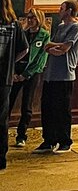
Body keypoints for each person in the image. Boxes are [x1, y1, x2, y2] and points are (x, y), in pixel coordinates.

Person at [36, 0, 78, 154]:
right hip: (50, 74)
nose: (59, 11)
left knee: (62, 110)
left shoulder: (75, 27)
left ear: (69, 11)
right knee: (48, 108)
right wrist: (52, 47)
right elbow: (50, 47)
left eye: (61, 8)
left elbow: (64, 48)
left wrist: (52, 47)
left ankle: (65, 141)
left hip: (64, 75)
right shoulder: (60, 26)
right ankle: (49, 140)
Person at [9, 8, 49, 149]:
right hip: (16, 72)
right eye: (29, 17)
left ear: (39, 19)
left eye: (33, 17)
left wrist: (25, 75)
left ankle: (21, 135)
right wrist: (13, 73)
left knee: (27, 105)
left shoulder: (44, 35)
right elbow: (13, 53)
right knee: (8, 103)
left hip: (31, 74)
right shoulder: (22, 33)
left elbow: (41, 59)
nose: (30, 20)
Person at [0, 0, 27, 169]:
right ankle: (1, 157)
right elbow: (24, 49)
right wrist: (10, 62)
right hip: (4, 78)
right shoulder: (14, 25)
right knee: (2, 119)